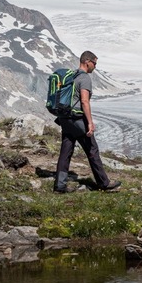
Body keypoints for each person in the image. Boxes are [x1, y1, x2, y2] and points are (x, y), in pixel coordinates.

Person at [54, 51, 121, 192]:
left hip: (65, 119)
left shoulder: (71, 76)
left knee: (66, 151)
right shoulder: (84, 78)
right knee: (92, 149)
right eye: (94, 63)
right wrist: (90, 122)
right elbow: (84, 101)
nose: (95, 67)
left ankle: (60, 185)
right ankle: (104, 183)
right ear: (87, 61)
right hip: (78, 119)